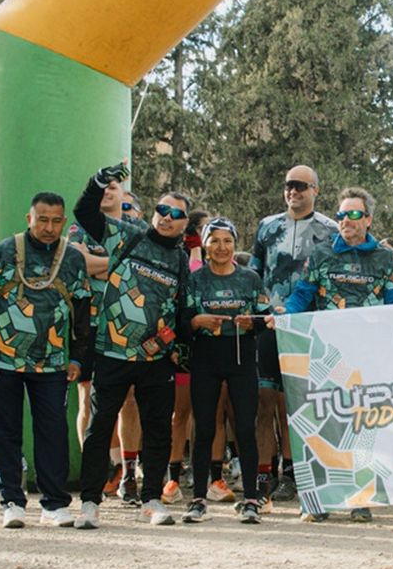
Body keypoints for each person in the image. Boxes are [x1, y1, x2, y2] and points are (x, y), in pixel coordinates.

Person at [74, 162, 191, 529]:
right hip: (111, 351)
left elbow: (183, 310)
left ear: (186, 223)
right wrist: (98, 181)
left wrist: (171, 347)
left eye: (176, 214)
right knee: (99, 427)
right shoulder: (129, 236)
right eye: (161, 210)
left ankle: (152, 499)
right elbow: (83, 213)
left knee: (158, 429)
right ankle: (90, 502)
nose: (166, 218)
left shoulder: (181, 260)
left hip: (155, 359)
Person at [0, 192, 91, 528]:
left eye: (55, 220)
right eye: (42, 220)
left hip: (52, 363)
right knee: (4, 431)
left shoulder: (73, 259)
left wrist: (78, 358)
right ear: (29, 219)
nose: (49, 227)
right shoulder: (5, 251)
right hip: (2, 360)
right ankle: (12, 501)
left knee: (52, 430)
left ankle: (54, 503)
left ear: (63, 221)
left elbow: (82, 313)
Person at [284, 187, 393, 522]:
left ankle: (361, 497)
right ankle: (317, 500)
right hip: (327, 355)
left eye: (354, 214)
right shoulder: (322, 253)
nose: (346, 221)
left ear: (367, 218)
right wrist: (283, 316)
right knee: (325, 424)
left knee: (363, 426)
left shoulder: (384, 257)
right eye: (341, 215)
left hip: (368, 356)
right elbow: (303, 294)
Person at [249, 166, 338, 505]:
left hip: (307, 327)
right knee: (263, 400)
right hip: (269, 324)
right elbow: (254, 272)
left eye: (301, 186)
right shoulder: (267, 226)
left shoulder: (330, 229)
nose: (293, 191)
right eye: (288, 185)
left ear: (316, 189)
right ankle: (261, 473)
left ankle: (292, 473)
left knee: (294, 405)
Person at [179, 218, 269, 525]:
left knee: (245, 425)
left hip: (242, 355)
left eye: (227, 241)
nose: (221, 247)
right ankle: (198, 499)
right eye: (214, 241)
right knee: (204, 427)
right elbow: (185, 319)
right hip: (206, 355)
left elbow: (264, 317)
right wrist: (197, 322)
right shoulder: (195, 279)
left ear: (235, 244)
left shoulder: (250, 278)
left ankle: (252, 499)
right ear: (205, 245)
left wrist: (251, 323)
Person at [66, 168, 143, 504]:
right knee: (88, 400)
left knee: (128, 400)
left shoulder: (136, 231)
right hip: (86, 324)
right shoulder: (78, 227)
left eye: (115, 187)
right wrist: (119, 264)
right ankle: (98, 471)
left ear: (123, 194)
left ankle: (128, 472)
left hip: (124, 324)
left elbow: (140, 270)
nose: (108, 192)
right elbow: (77, 263)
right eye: (104, 187)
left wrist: (100, 262)